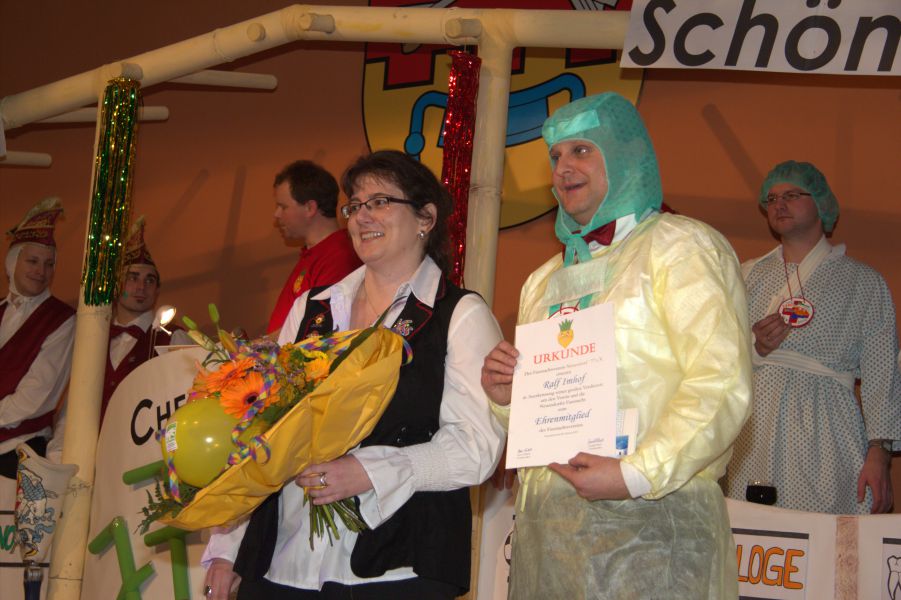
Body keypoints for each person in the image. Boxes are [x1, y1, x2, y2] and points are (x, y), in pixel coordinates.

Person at [480, 93, 752, 599]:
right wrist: (504, 397)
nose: (563, 167)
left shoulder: (681, 247)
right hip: (548, 540)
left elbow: (720, 381)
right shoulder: (542, 281)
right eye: (555, 156)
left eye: (582, 150)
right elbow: (543, 417)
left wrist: (637, 473)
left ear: (625, 156)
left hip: (656, 530)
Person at [202, 150, 505, 599]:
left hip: (397, 567)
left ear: (425, 218)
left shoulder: (459, 313)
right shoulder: (311, 309)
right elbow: (261, 432)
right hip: (284, 559)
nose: (362, 216)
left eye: (380, 201)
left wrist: (371, 470)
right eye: (355, 205)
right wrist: (228, 547)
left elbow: (476, 448)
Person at [725, 161, 901, 514]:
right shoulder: (747, 275)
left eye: (791, 195)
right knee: (754, 529)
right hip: (754, 430)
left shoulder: (863, 283)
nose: (779, 204)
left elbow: (883, 373)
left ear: (821, 204)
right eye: (772, 198)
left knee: (826, 534)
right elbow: (714, 357)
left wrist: (879, 455)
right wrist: (751, 348)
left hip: (828, 429)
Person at [0, 197, 75, 478]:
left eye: (48, 264)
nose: (41, 271)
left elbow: (37, 397)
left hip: (20, 453)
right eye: (32, 261)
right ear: (12, 263)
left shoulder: (62, 319)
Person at [100, 216, 190, 424]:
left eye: (150, 280)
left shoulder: (173, 337)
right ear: (117, 286)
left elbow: (187, 398)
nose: (141, 287)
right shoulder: (96, 340)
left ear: (157, 290)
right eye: (132, 278)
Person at [267, 160, 362, 334]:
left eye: (283, 206)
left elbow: (318, 329)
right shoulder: (313, 254)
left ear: (310, 208)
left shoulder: (338, 257)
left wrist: (257, 346)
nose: (276, 214)